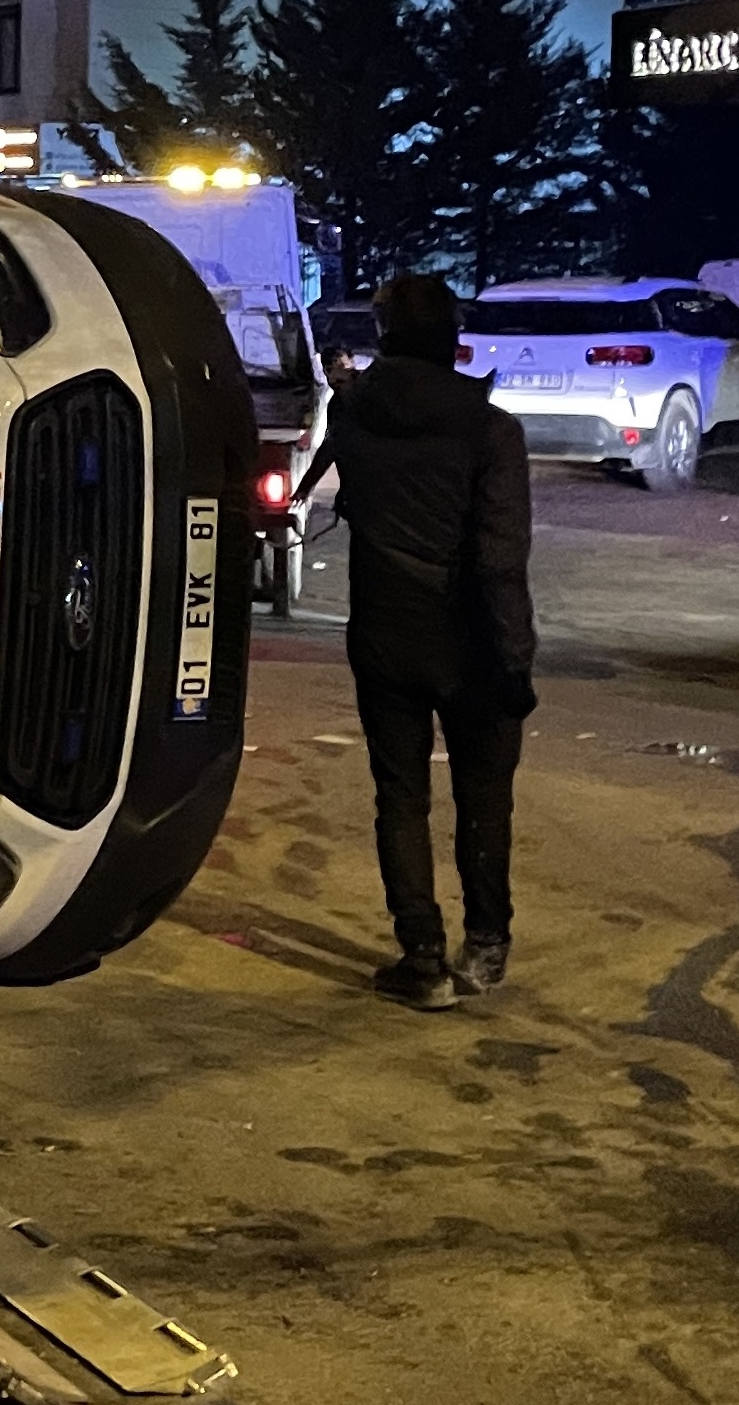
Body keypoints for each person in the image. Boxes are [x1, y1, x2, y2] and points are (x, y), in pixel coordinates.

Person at [305, 272, 537, 1011]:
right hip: (470, 636)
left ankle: (422, 954)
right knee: (484, 796)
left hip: (383, 630)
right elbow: (501, 559)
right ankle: (485, 945)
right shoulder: (491, 431)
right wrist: (514, 659)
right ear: (452, 336)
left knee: (400, 794)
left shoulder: (351, 415)